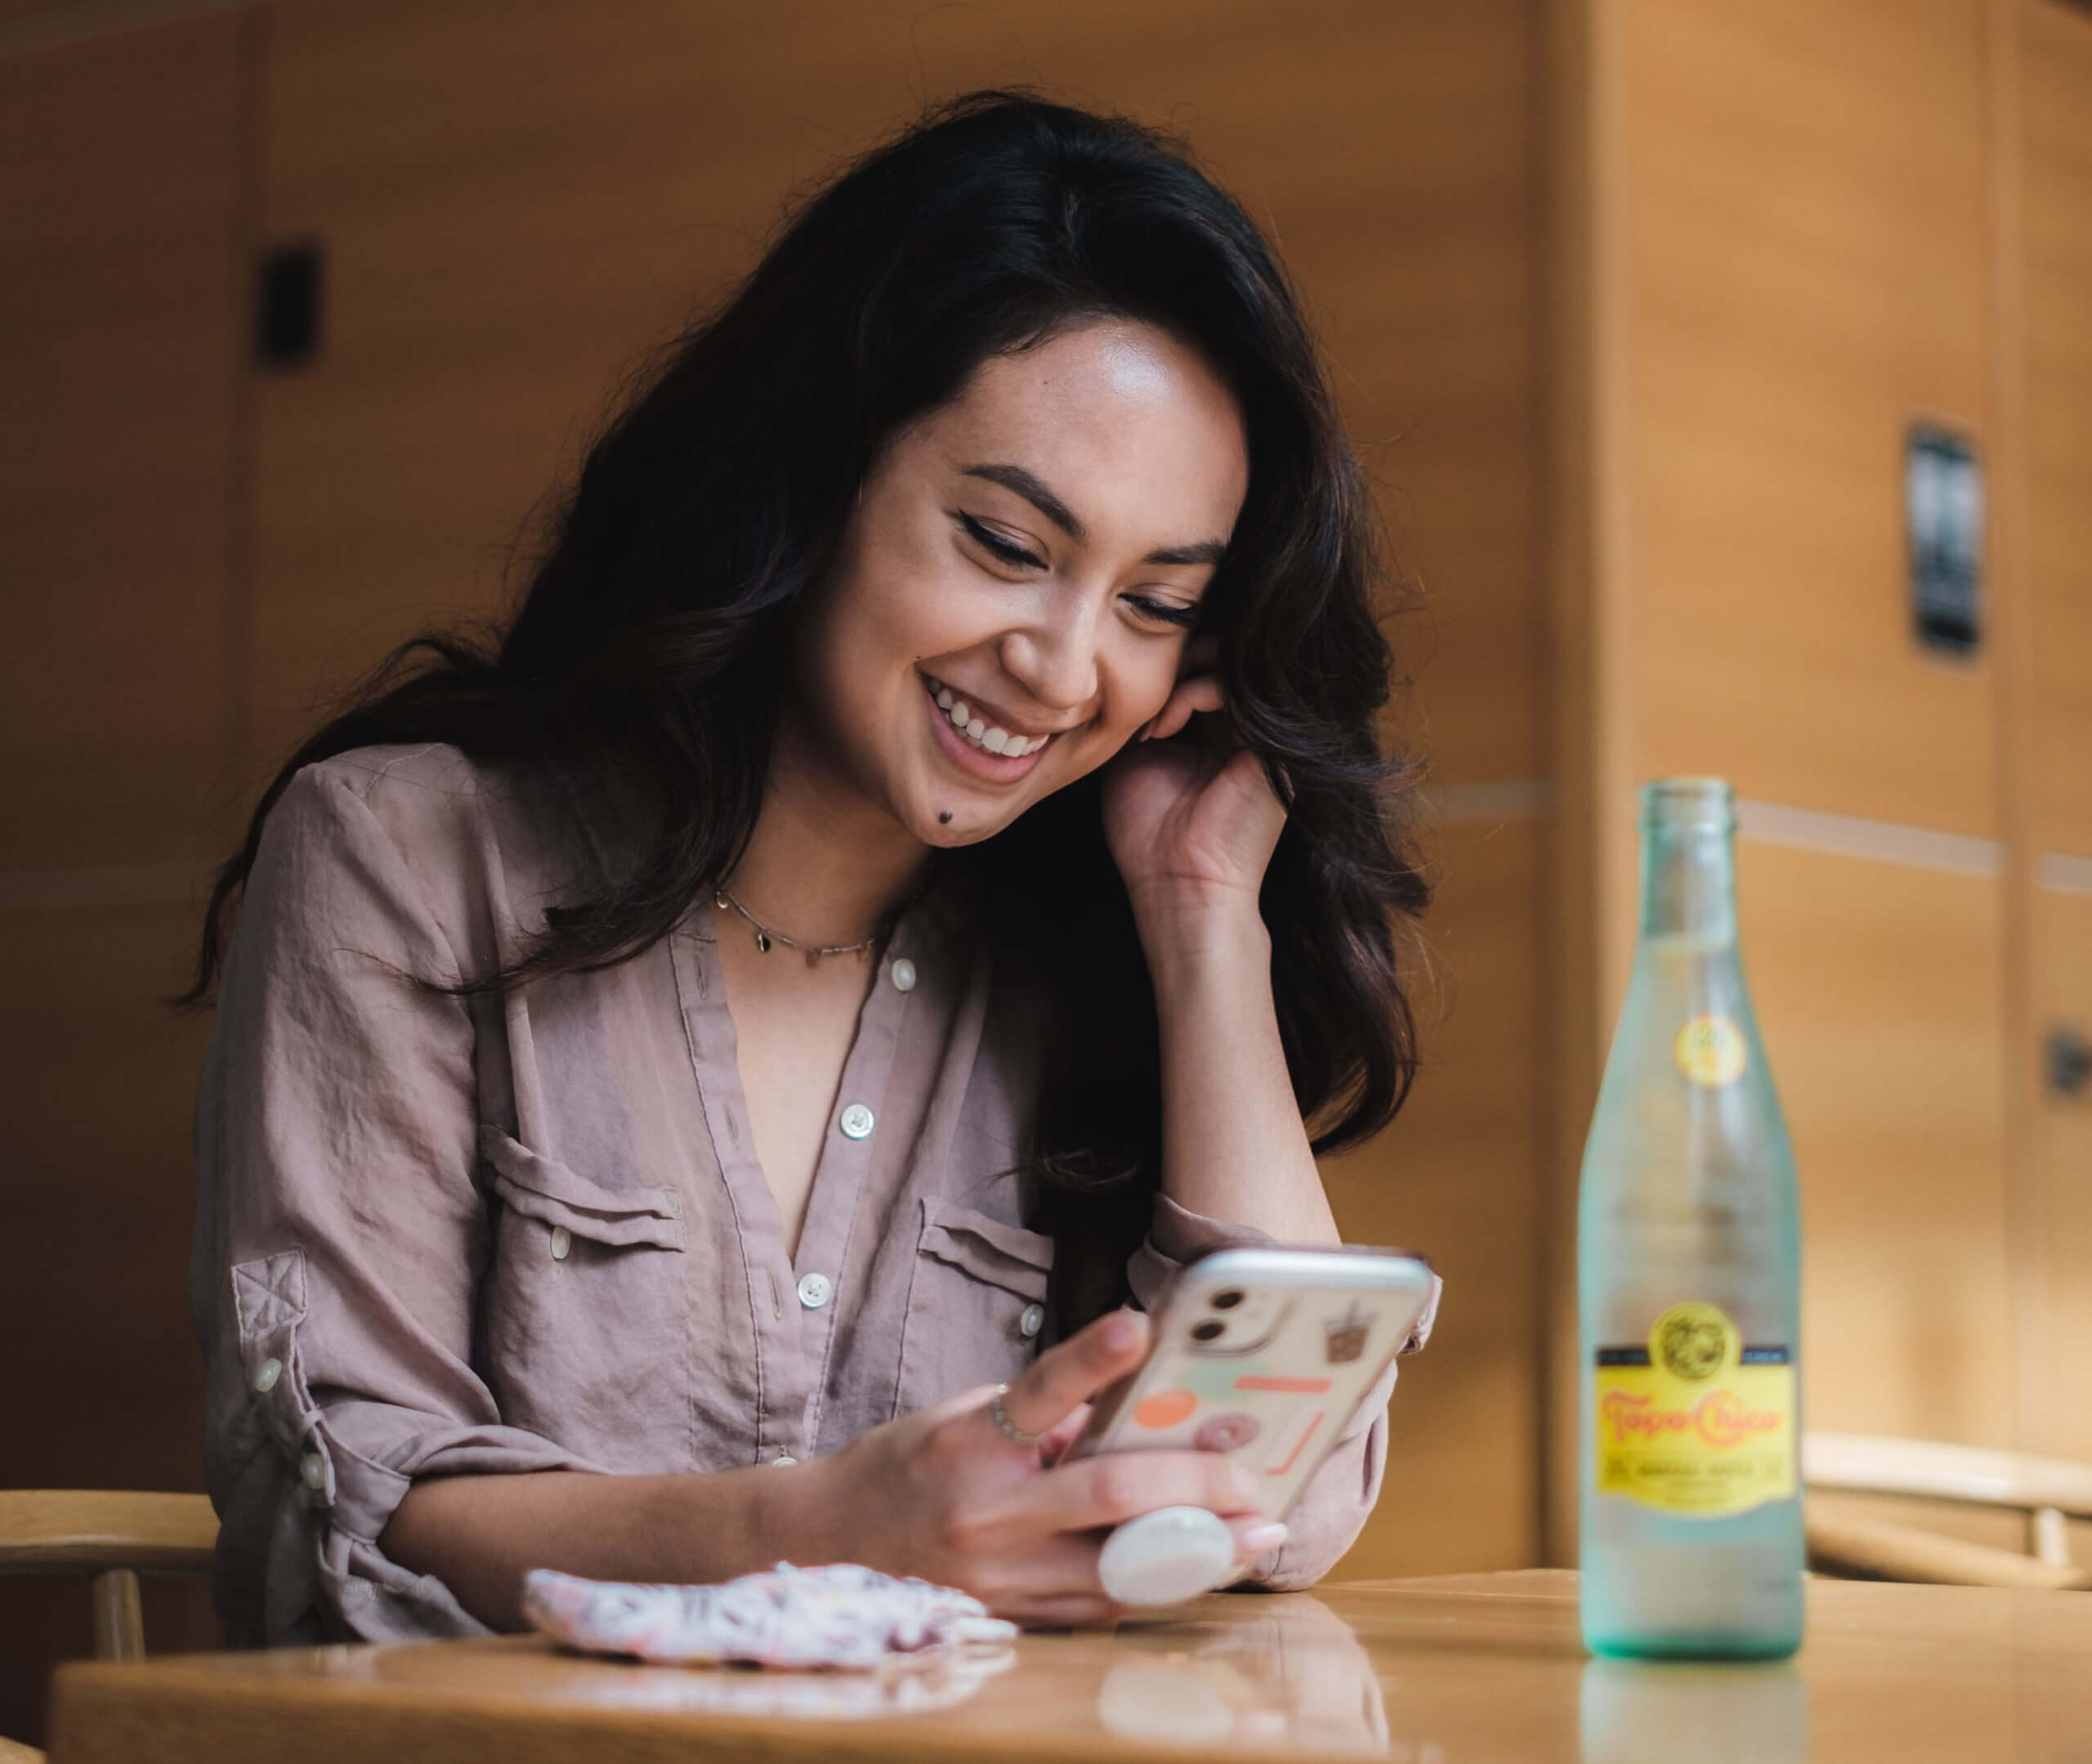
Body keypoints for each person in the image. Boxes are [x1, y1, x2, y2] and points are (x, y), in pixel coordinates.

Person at [185, 90, 1437, 1645]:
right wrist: (832, 1530)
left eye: (1153, 603)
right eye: (1004, 543)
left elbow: (1281, 1505)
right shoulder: (405, 859)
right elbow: (346, 1501)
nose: (1063, 670)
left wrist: (1203, 918)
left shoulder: (1074, 959)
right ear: (819, 476)